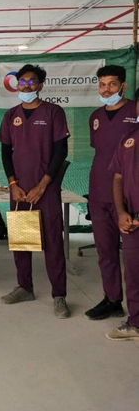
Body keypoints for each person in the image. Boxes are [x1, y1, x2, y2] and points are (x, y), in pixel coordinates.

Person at [0, 64, 71, 318]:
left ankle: (59, 295)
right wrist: (13, 184)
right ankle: (25, 287)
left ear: (40, 85)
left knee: (53, 243)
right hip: (19, 189)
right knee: (21, 240)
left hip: (45, 189)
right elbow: (5, 152)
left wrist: (43, 184)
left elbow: (61, 152)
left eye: (32, 81)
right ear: (16, 85)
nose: (27, 86)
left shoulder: (53, 112)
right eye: (22, 82)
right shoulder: (11, 115)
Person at [85, 65, 137, 320]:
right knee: (105, 251)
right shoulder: (95, 117)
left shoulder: (134, 112)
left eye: (112, 84)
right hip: (99, 191)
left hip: (129, 195)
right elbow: (101, 151)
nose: (106, 90)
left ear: (123, 86)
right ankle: (112, 299)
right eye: (102, 85)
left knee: (133, 256)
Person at [106, 88, 139, 341]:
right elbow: (117, 178)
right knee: (134, 274)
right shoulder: (129, 138)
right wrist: (120, 212)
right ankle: (135, 323)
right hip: (131, 220)